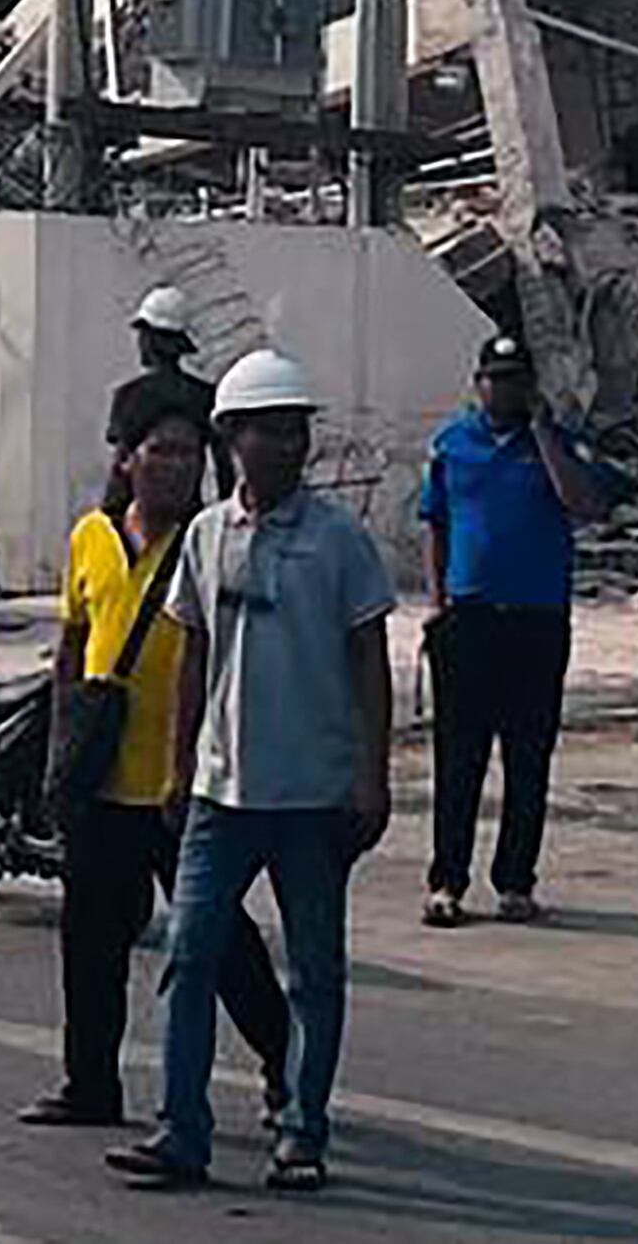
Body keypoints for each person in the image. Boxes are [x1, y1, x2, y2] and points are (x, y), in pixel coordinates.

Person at [106, 349, 394, 1196]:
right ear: (231, 439)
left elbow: (369, 660)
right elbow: (193, 655)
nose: (287, 444)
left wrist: (371, 776)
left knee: (313, 974)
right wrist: (178, 762)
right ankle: (180, 1130)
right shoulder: (204, 536)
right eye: (269, 430)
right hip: (219, 792)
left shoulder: (339, 541)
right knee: (188, 960)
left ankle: (302, 1130)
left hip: (312, 794)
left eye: (296, 429)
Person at [18, 398, 293, 1132]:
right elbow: (75, 642)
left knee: (223, 941)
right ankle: (90, 1083)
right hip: (104, 780)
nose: (175, 465)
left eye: (186, 453)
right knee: (91, 943)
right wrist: (61, 756)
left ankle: (282, 1065)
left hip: (187, 783)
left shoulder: (211, 541)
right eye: (160, 450)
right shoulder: (90, 537)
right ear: (126, 459)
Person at [418, 329, 608, 928]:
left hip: (536, 622)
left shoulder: (557, 444)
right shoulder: (453, 446)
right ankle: (447, 881)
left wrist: (543, 431)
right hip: (470, 619)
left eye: (518, 381)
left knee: (528, 758)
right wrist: (438, 601)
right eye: (497, 381)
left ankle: (516, 882)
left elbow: (584, 504)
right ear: (478, 385)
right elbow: (436, 525)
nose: (507, 391)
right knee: (459, 759)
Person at [102, 286, 213, 511]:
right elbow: (224, 471)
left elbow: (119, 472)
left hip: (141, 522)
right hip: (190, 517)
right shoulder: (204, 396)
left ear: (151, 340)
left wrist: (109, 521)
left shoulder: (130, 396)